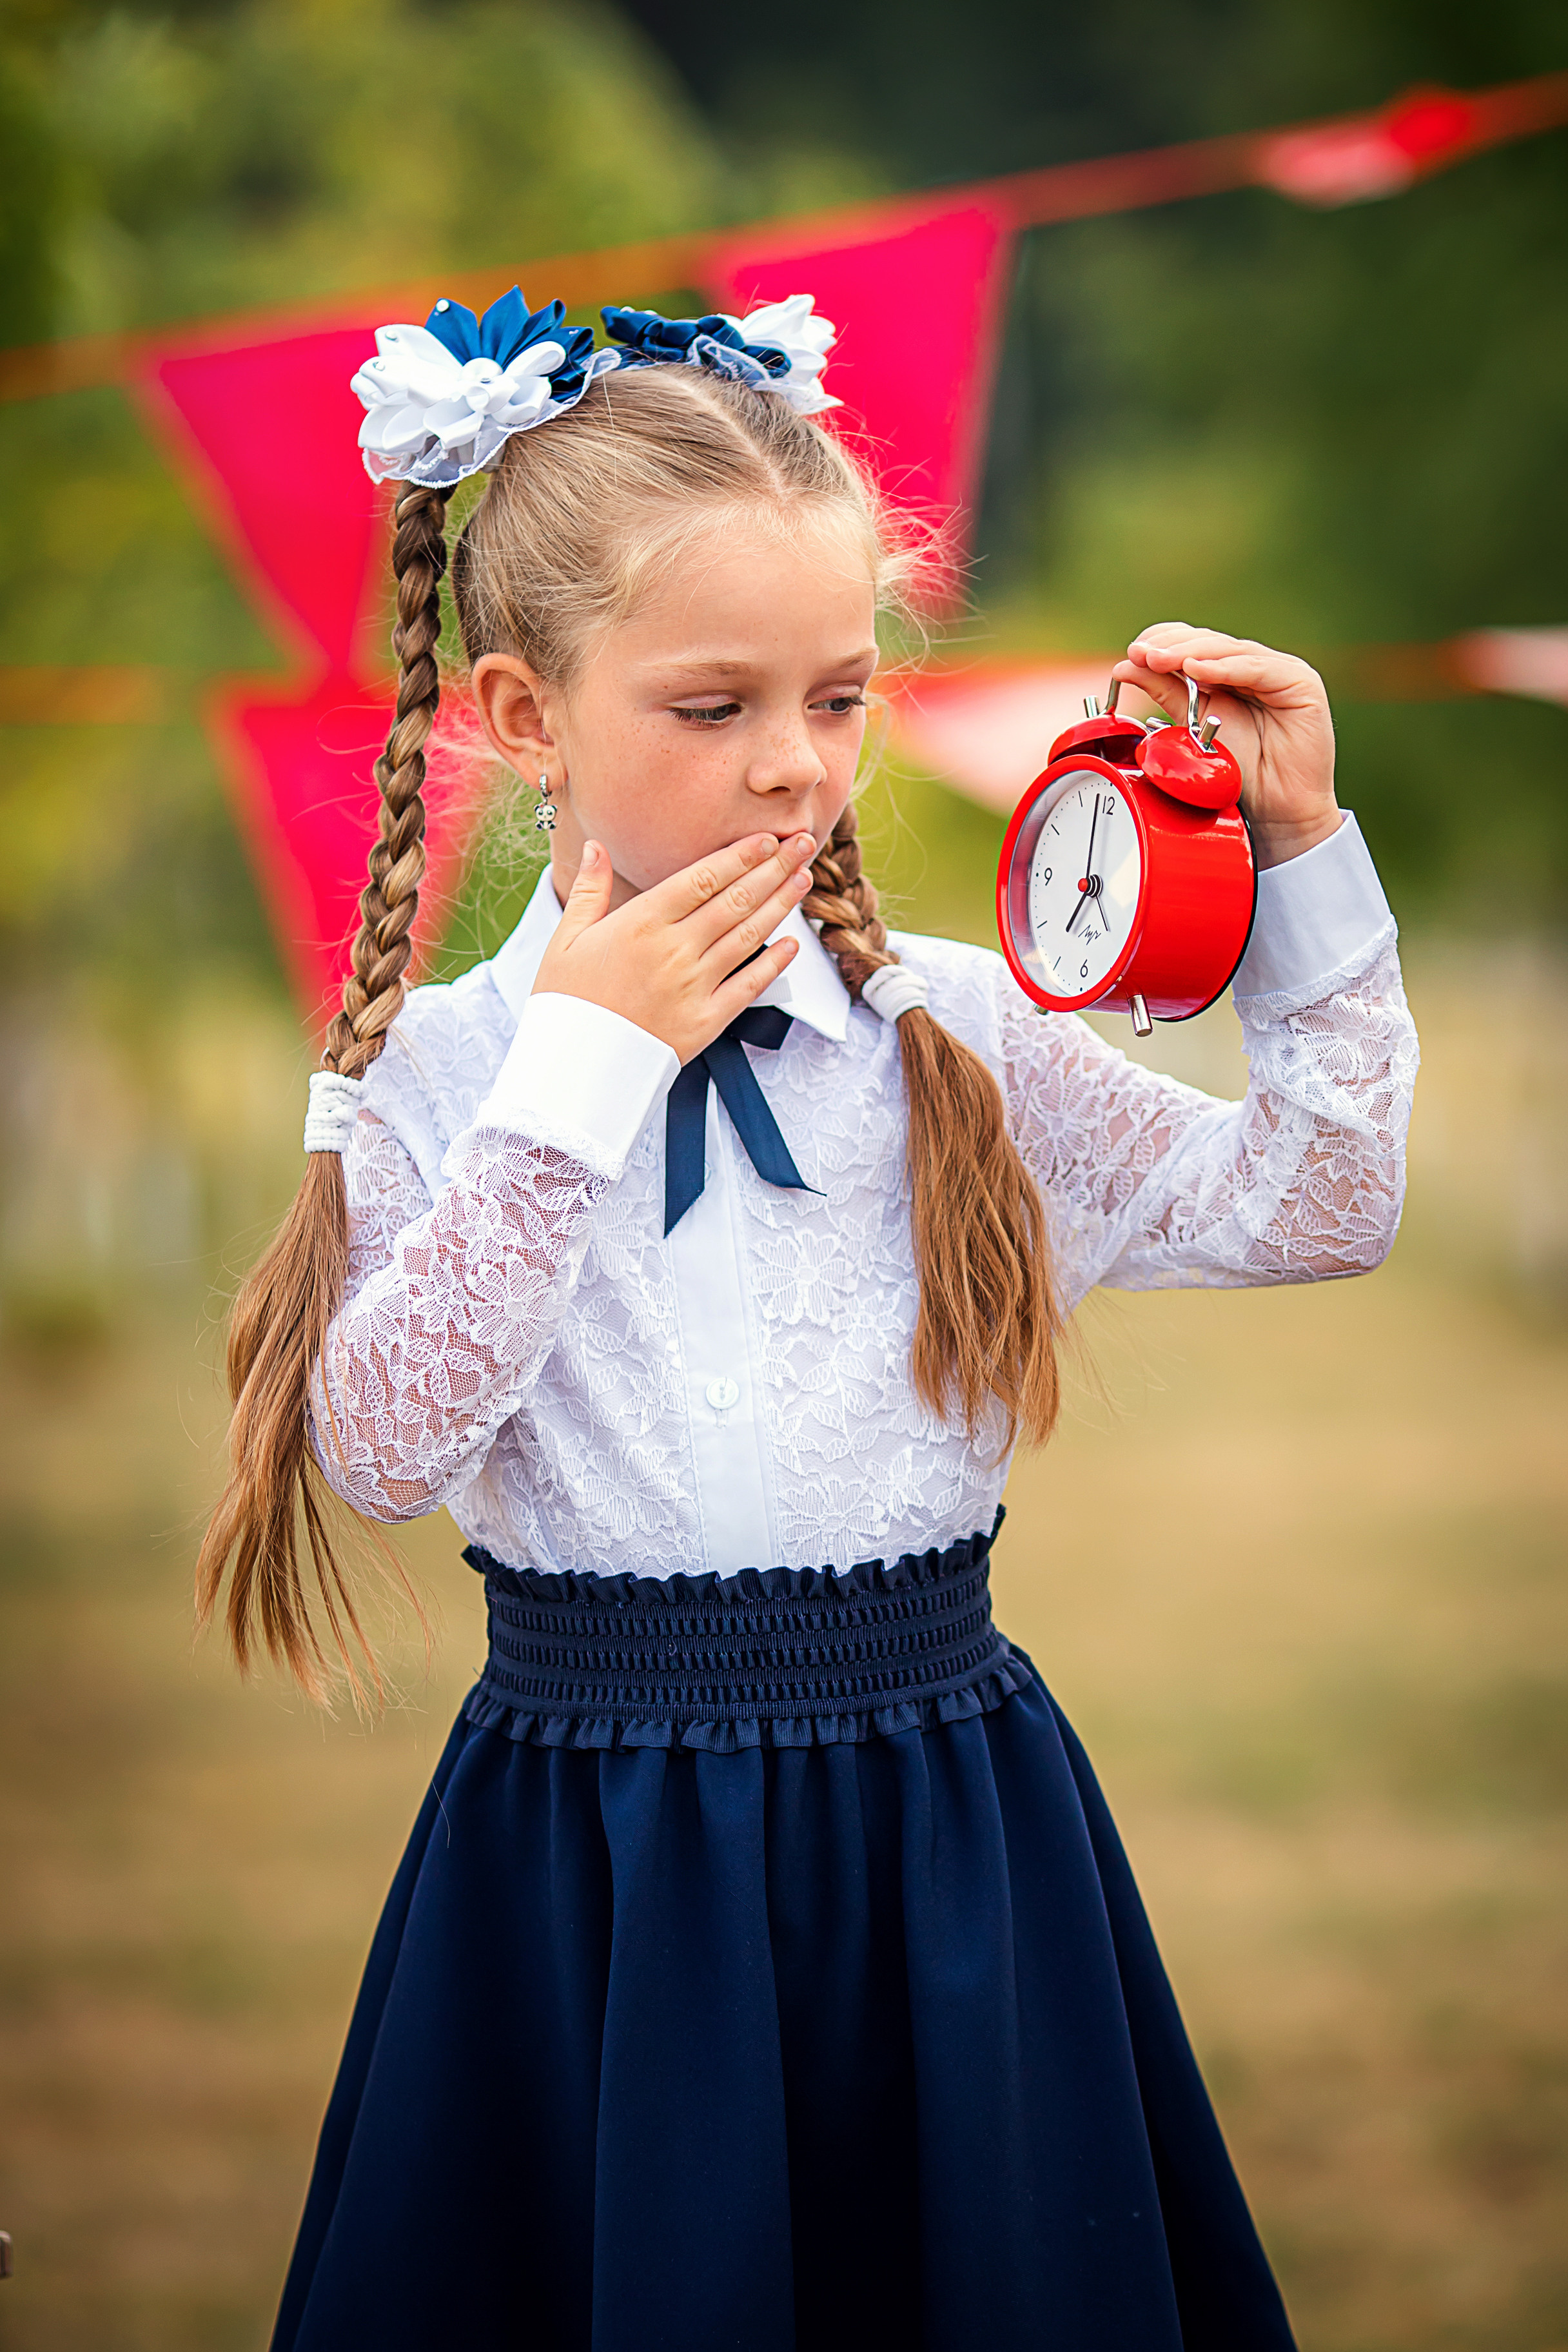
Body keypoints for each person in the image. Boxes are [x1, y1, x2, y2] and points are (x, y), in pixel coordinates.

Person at [199, 288, 1417, 2352]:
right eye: (711, 707)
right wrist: (579, 1077)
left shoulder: (940, 1030)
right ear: (521, 711)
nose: (792, 769)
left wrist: (1301, 859)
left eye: (840, 699)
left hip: (950, 1834)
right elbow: (384, 1449)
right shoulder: (433, 1074)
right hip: (591, 1865)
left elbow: (1318, 1205)